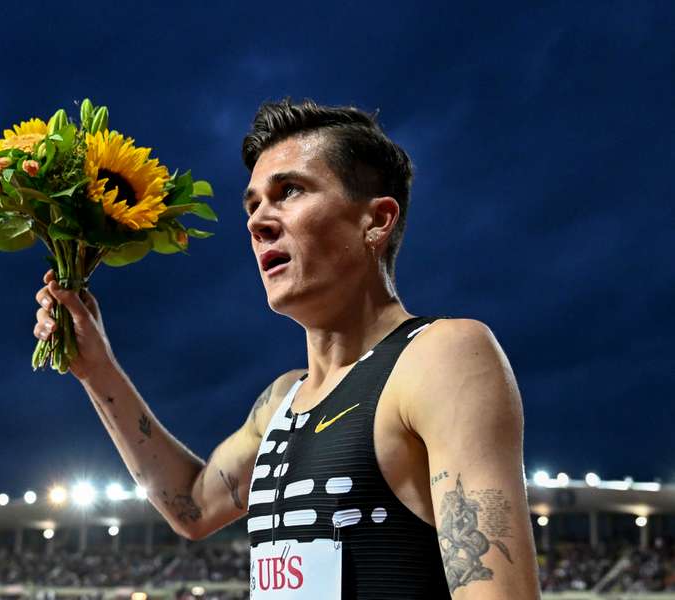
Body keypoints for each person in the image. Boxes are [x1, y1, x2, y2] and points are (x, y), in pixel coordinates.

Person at [33, 99, 541, 598]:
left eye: (289, 191)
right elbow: (190, 506)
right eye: (253, 205)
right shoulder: (280, 402)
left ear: (377, 221)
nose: (257, 223)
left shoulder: (441, 357)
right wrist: (96, 369)